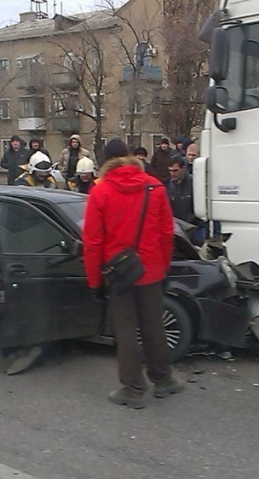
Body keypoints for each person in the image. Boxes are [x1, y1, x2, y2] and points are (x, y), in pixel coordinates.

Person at [83, 137, 184, 409]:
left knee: (126, 330)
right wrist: (163, 267)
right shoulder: (155, 187)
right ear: (129, 156)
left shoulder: (100, 193)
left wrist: (95, 282)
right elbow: (166, 233)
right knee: (154, 326)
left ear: (105, 162)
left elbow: (93, 242)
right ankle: (163, 380)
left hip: (120, 274)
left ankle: (133, 388)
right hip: (150, 269)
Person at [167, 154, 206, 245]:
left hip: (195, 227)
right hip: (179, 228)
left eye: (175, 170)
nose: (172, 174)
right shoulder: (171, 185)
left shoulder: (195, 183)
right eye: (170, 171)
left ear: (183, 168)